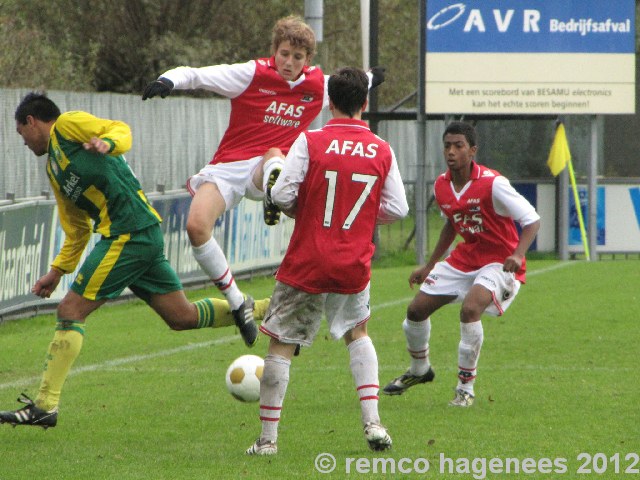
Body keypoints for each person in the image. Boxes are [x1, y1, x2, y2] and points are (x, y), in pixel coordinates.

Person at [0, 92, 269, 429]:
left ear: (31, 121)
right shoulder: (54, 168)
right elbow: (77, 228)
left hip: (127, 232)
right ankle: (264, 309)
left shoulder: (67, 126)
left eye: (20, 132)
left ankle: (45, 405)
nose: (22, 141)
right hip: (138, 234)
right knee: (181, 317)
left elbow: (120, 129)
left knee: (70, 311)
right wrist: (56, 272)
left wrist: (108, 144)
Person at [142, 16, 384, 335]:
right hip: (229, 166)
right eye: (284, 53)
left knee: (274, 155)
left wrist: (370, 78)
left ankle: (274, 189)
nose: (289, 62)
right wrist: (168, 80)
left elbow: (349, 85)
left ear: (308, 60)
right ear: (274, 50)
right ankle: (237, 301)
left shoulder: (316, 84)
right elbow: (198, 75)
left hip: (271, 166)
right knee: (196, 226)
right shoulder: (251, 73)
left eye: (297, 57)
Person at [244, 67, 409, 456]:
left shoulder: (311, 140)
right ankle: (373, 423)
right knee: (358, 333)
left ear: (329, 102)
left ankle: (268, 441)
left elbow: (283, 193)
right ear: (365, 104)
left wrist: (305, 209)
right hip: (353, 263)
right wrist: (364, 217)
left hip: (307, 260)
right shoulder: (382, 149)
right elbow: (398, 207)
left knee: (281, 346)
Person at [382, 121, 540, 407]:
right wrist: (429, 265)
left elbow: (531, 219)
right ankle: (420, 371)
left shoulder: (493, 183)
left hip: (499, 262)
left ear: (472, 150)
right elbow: (451, 226)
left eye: (458, 146)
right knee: (415, 310)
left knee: (470, 309)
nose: (451, 151)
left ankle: (465, 388)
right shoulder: (442, 185)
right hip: (465, 259)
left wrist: (518, 255)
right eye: (447, 146)